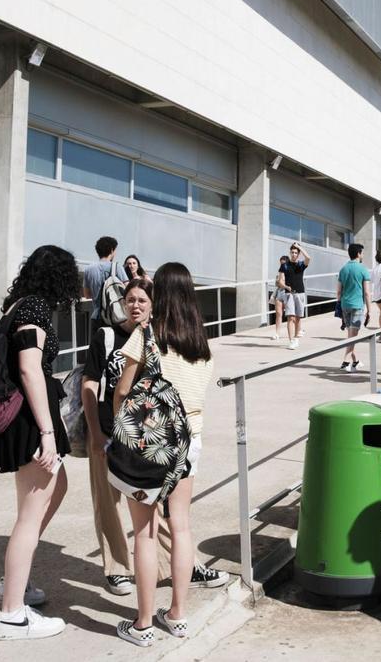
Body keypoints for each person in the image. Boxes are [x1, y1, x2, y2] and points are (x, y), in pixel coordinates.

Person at [111, 262, 214, 647]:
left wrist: (119, 422)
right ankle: (177, 614)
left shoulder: (147, 335)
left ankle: (142, 624)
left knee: (145, 531)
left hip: (150, 442)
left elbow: (123, 390)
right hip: (190, 442)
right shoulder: (201, 342)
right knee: (182, 525)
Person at [0, 245, 79, 641]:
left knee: (53, 489)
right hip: (29, 421)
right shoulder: (35, 310)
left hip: (25, 418)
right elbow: (29, 368)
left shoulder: (17, 305)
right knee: (29, 514)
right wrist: (47, 432)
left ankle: (15, 581)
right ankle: (12, 613)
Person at [82, 236, 128, 335]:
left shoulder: (88, 270)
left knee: (98, 347)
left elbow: (87, 295)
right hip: (115, 316)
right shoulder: (117, 267)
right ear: (111, 250)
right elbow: (128, 290)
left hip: (97, 317)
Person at [336, 243, 371, 372]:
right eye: (361, 253)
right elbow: (367, 293)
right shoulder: (363, 269)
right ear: (358, 254)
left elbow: (339, 292)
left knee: (351, 335)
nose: (362, 255)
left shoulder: (343, 269)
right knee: (353, 336)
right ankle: (345, 362)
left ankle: (355, 361)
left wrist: (339, 306)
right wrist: (369, 310)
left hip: (345, 305)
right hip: (357, 306)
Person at [277, 243, 311, 350]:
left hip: (300, 293)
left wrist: (299, 247)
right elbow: (280, 281)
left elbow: (308, 258)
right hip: (289, 294)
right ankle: (291, 340)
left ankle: (296, 338)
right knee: (290, 317)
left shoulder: (301, 265)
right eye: (292, 252)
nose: (294, 254)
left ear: (298, 254)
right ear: (290, 253)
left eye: (296, 252)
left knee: (298, 318)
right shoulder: (285, 265)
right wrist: (286, 287)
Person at [269, 255, 288, 341]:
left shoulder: (290, 272)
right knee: (278, 314)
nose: (282, 265)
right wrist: (278, 281)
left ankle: (296, 330)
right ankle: (277, 333)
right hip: (280, 293)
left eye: (283, 263)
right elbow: (277, 284)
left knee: (291, 314)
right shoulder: (279, 273)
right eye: (281, 263)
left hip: (288, 293)